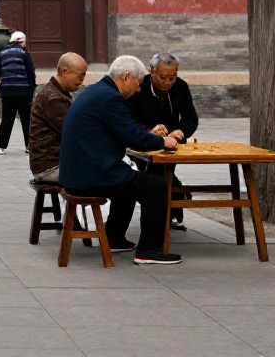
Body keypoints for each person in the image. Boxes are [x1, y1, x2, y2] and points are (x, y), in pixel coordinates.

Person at [59, 55, 183, 265]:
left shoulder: (98, 92)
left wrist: (149, 133)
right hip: (90, 174)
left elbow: (124, 128)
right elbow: (131, 136)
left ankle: (114, 238)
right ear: (127, 77)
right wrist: (163, 143)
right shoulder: (110, 97)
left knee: (130, 180)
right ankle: (149, 251)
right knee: (156, 187)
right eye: (138, 83)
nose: (138, 90)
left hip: (78, 171)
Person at [130, 52, 199, 230]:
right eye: (163, 77)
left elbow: (190, 118)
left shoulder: (181, 87)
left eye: (172, 77)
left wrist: (181, 132)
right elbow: (128, 119)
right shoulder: (139, 86)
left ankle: (167, 213)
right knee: (155, 176)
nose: (168, 82)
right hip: (142, 141)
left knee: (162, 174)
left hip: (171, 143)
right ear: (152, 71)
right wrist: (149, 131)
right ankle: (167, 211)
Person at [28, 51, 88, 181]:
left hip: (54, 162)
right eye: (80, 76)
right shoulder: (53, 98)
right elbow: (73, 132)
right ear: (65, 72)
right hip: (50, 166)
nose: (82, 81)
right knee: (107, 172)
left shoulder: (57, 92)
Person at [0, 31, 36, 154]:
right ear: (21, 42)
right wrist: (32, 87)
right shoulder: (24, 53)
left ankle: (1, 147)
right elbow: (31, 72)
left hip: (7, 92)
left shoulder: (2, 53)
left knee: (7, 119)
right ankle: (30, 146)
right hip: (24, 92)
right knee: (26, 119)